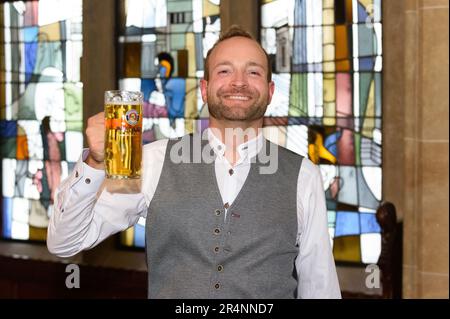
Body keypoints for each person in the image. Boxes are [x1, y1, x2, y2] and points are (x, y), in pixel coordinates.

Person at [47, 25, 341, 299]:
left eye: (253, 72)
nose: (238, 82)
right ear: (204, 88)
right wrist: (96, 164)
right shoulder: (152, 161)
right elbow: (65, 243)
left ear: (270, 91)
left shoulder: (304, 176)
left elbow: (320, 285)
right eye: (225, 70)